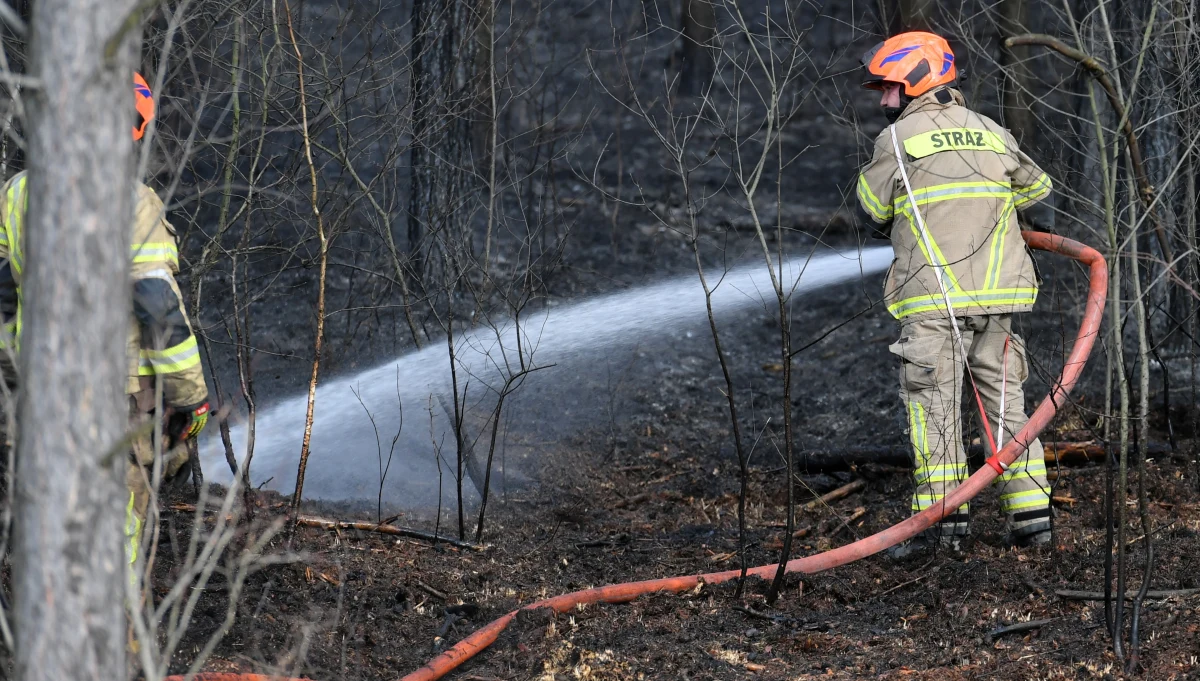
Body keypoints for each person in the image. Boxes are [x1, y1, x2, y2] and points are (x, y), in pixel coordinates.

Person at [0, 72, 210, 570]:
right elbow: (158, 306)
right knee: (115, 527)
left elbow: (3, 295)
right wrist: (190, 396)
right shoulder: (132, 202)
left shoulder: (17, 192)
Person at [855, 32, 1054, 554]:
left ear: (915, 81)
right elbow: (1036, 189)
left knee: (935, 408)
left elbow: (873, 211)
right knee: (1008, 406)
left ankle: (941, 527)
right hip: (1000, 299)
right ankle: (1034, 520)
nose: (883, 100)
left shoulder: (896, 141)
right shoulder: (991, 131)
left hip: (934, 302)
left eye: (889, 87)